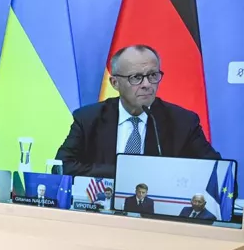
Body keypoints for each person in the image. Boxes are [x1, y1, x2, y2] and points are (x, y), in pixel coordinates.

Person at [56, 45, 219, 177]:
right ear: (115, 83)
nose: (147, 84)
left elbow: (218, 174)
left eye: (153, 75)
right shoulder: (88, 119)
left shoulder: (183, 122)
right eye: (136, 77)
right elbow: (61, 166)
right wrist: (123, 174)